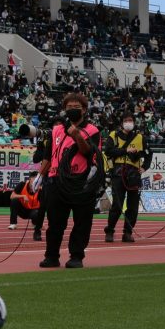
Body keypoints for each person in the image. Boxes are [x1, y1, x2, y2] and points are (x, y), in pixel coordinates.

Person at [39, 92, 102, 269]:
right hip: (57, 181)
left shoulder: (93, 131)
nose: (72, 110)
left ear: (84, 110)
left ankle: (76, 256)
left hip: (81, 183)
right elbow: (48, 155)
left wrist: (77, 135)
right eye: (69, 107)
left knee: (82, 222)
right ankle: (51, 256)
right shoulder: (56, 130)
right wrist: (40, 175)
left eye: (76, 107)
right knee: (55, 222)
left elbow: (89, 152)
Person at [103, 113, 149, 243]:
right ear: (122, 123)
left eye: (130, 120)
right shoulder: (114, 135)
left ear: (134, 122)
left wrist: (144, 167)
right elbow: (108, 151)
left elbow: (148, 153)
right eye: (126, 120)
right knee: (117, 205)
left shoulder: (140, 137)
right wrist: (125, 151)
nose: (128, 122)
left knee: (133, 207)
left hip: (134, 174)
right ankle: (110, 230)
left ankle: (127, 232)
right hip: (118, 173)